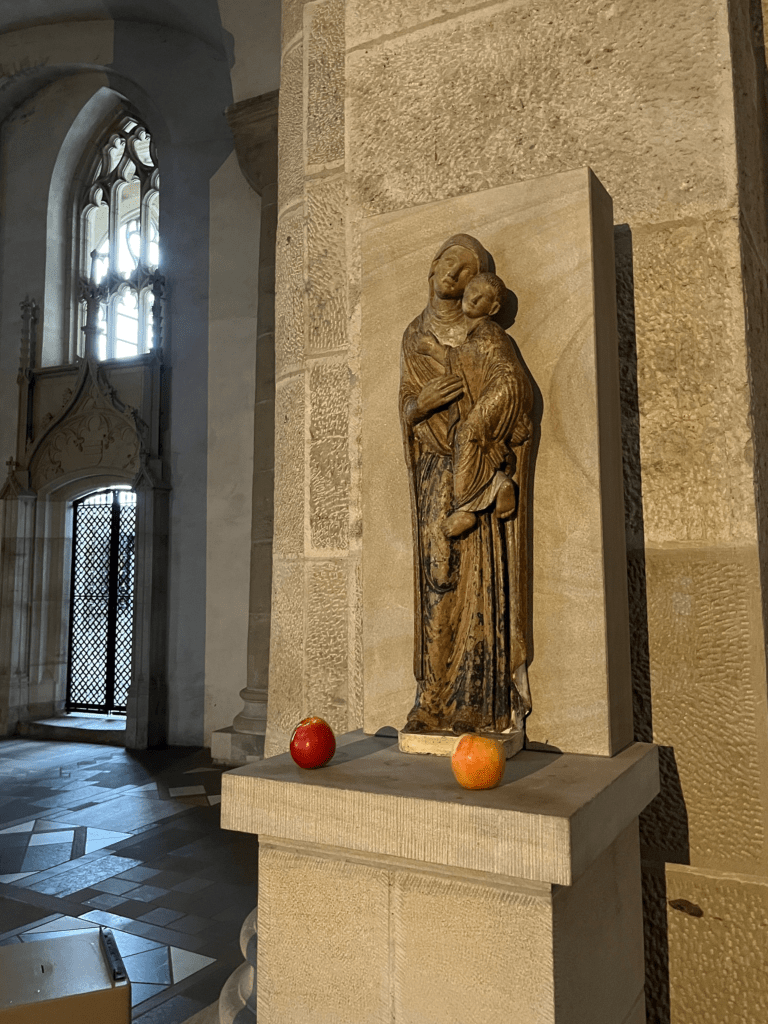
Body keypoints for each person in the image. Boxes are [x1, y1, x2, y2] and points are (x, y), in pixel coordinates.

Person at [399, 235, 533, 736]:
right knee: (438, 577)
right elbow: (406, 403)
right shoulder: (415, 336)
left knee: (478, 582)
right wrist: (420, 405)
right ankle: (431, 700)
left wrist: (485, 432)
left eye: (467, 272)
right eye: (451, 263)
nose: (455, 275)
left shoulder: (486, 336)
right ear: (434, 265)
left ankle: (474, 704)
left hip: (472, 460)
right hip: (434, 470)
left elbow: (512, 393)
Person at [442, 272, 531, 539]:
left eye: (483, 297)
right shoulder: (476, 333)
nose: (474, 297)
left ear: (492, 309)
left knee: (467, 434)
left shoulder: (489, 330)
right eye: (472, 289)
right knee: (475, 437)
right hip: (503, 389)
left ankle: (465, 509)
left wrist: (436, 351)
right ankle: (498, 484)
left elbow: (467, 357)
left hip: (505, 388)